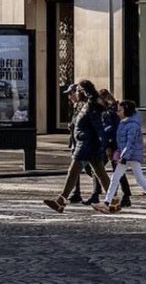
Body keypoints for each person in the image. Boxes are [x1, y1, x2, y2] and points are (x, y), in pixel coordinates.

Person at [44, 83, 106, 213]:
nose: (75, 93)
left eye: (77, 90)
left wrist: (103, 142)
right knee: (100, 173)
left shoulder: (91, 106)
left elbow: (98, 127)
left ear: (83, 92)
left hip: (86, 145)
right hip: (86, 144)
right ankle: (114, 199)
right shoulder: (86, 105)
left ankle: (61, 200)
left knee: (73, 172)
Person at [93, 100, 146, 215]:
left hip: (130, 156)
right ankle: (106, 203)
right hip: (128, 155)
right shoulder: (125, 122)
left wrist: (124, 156)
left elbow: (131, 143)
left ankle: (106, 203)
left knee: (121, 178)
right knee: (132, 179)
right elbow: (124, 142)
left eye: (120, 110)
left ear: (126, 111)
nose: (117, 112)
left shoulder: (132, 125)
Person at [99, 89, 132, 208]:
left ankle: (115, 196)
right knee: (117, 171)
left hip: (113, 145)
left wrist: (108, 146)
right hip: (118, 144)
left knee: (102, 169)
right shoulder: (117, 109)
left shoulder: (109, 112)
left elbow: (109, 130)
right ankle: (123, 195)